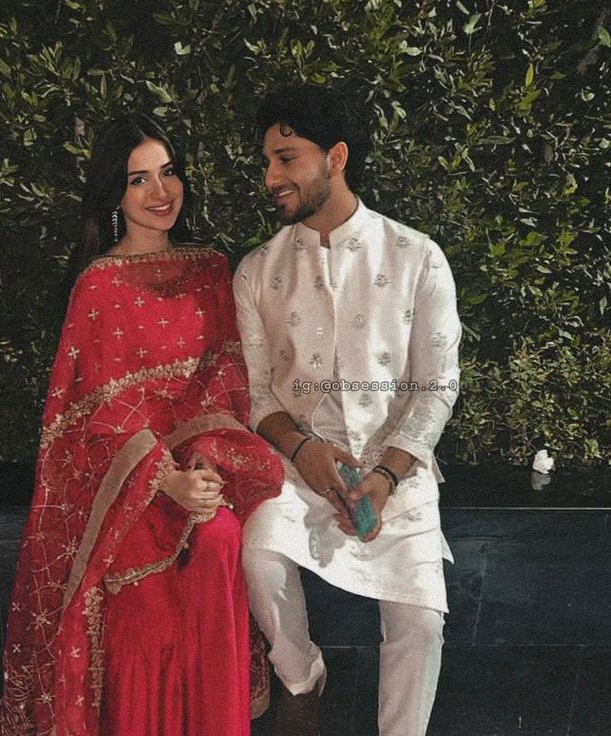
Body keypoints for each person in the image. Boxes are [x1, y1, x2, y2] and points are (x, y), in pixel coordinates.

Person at [0, 113, 283, 736]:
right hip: (126, 496)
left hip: (204, 477)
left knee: (220, 541)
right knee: (145, 611)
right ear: (114, 196)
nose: (161, 192)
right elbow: (85, 427)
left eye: (169, 172)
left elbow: (228, 384)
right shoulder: (96, 287)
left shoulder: (211, 271)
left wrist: (204, 463)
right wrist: (164, 480)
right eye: (139, 180)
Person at [233, 86, 461, 736]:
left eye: (286, 159)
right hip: (297, 467)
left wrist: (386, 476)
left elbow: (437, 385)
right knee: (259, 554)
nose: (270, 177)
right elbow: (257, 393)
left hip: (398, 470)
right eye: (266, 161)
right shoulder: (257, 273)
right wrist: (303, 452)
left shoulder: (418, 258)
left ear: (335, 157)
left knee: (420, 623)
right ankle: (302, 679)